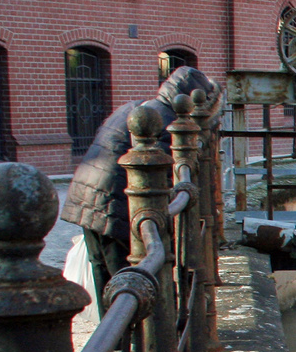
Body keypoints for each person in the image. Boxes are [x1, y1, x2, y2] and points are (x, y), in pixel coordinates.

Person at [60, 66, 217, 311]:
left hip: (87, 197)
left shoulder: (135, 106)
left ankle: (114, 342)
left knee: (104, 275)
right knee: (128, 280)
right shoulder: (168, 122)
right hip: (117, 207)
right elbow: (167, 176)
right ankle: (137, 342)